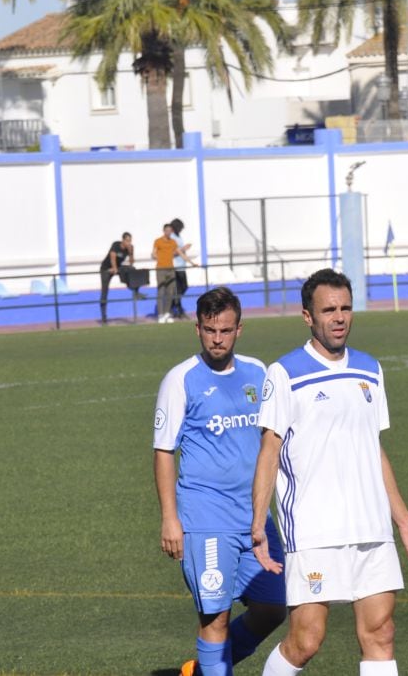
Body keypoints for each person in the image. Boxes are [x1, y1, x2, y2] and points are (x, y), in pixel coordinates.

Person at [251, 269, 408, 676]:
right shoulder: (285, 373)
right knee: (306, 641)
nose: (339, 317)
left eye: (345, 308)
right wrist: (256, 524)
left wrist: (404, 522)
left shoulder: (369, 369)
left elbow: (372, 449)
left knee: (380, 633)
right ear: (308, 317)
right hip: (314, 530)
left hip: (371, 528)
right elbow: (269, 452)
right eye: (328, 310)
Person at [153, 287, 287, 676]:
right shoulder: (181, 380)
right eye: (210, 330)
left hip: (255, 519)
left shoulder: (258, 373)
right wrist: (169, 518)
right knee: (215, 619)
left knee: (273, 607)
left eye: (225, 330)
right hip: (205, 519)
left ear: (239, 329)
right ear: (197, 328)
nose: (217, 338)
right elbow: (164, 452)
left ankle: (196, 673)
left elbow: (273, 439)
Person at [153, 224, 197, 324]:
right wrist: (155, 256)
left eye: (170, 231)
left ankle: (167, 313)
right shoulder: (158, 241)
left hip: (171, 269)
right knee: (161, 291)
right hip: (161, 269)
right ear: (163, 231)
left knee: (170, 292)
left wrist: (192, 263)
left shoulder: (173, 242)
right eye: (166, 231)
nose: (168, 232)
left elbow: (181, 253)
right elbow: (154, 253)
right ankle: (160, 314)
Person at [99, 232, 137, 324]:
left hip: (118, 268)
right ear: (123, 240)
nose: (129, 242)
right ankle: (104, 317)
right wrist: (114, 269)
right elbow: (112, 257)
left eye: (130, 241)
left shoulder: (130, 248)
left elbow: (132, 262)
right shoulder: (116, 245)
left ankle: (133, 288)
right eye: (127, 240)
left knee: (131, 269)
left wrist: (131, 253)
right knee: (105, 291)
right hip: (106, 269)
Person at [169, 218, 195, 320]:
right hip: (175, 266)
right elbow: (173, 253)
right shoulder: (172, 237)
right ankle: (177, 309)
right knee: (179, 289)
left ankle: (173, 305)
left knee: (183, 287)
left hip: (181, 266)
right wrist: (184, 248)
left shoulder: (178, 237)